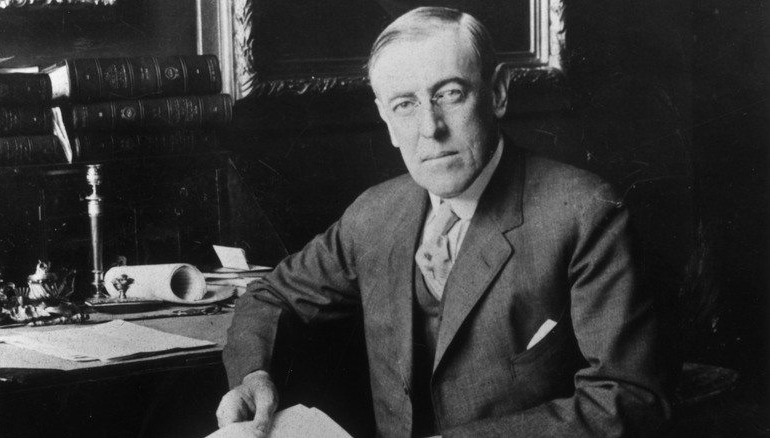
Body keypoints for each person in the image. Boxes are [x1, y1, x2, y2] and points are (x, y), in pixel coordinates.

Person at [217, 6, 670, 437]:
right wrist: (253, 373)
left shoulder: (584, 211)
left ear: (497, 93)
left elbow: (629, 397)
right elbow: (271, 296)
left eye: (449, 94)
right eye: (405, 105)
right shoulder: (375, 213)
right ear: (387, 121)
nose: (430, 127)